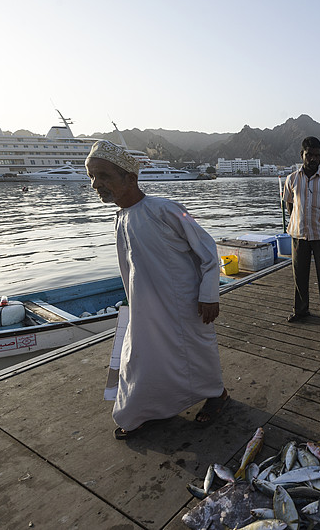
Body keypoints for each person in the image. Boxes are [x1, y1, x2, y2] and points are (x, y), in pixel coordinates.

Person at [85, 140, 228, 440]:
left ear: (130, 178)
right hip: (146, 308)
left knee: (195, 353)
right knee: (146, 357)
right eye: (91, 176)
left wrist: (209, 293)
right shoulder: (121, 217)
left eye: (104, 176)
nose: (96, 184)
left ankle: (217, 396)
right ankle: (146, 410)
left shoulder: (165, 209)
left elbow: (207, 249)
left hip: (186, 303)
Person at [283, 136, 320, 330]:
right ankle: (301, 311)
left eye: (317, 156)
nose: (313, 159)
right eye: (310, 155)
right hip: (299, 235)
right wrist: (300, 221)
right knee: (299, 275)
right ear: (302, 155)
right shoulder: (291, 179)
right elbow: (289, 204)